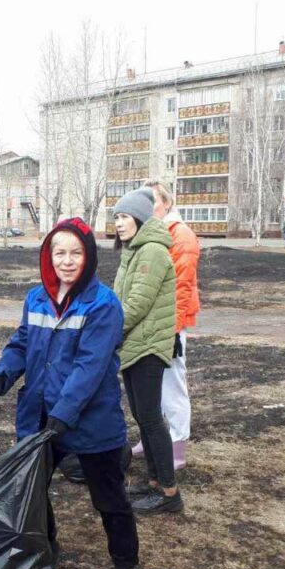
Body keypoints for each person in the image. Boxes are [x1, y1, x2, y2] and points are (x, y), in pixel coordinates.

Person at [0, 217, 140, 569]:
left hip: (91, 420)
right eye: (59, 253)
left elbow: (90, 366)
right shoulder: (36, 298)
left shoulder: (103, 305)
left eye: (76, 253)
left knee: (109, 498)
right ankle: (45, 548)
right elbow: (21, 344)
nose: (67, 261)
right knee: (33, 491)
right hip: (39, 415)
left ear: (89, 256)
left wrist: (64, 412)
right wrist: (1, 374)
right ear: (48, 257)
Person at [112, 188, 183, 514]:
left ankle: (169, 492)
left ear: (140, 218)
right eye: (116, 217)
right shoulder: (134, 250)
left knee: (151, 418)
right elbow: (120, 298)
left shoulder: (152, 251)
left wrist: (109, 331)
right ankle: (155, 481)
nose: (118, 223)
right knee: (143, 416)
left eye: (124, 216)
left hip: (149, 345)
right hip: (136, 343)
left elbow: (137, 303)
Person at [129, 180, 200, 470]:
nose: (147, 208)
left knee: (172, 385)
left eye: (153, 201)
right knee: (151, 386)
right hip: (150, 322)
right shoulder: (149, 234)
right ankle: (151, 439)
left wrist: (172, 331)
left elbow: (181, 288)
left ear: (167, 203)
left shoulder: (180, 236)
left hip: (169, 324)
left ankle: (177, 446)